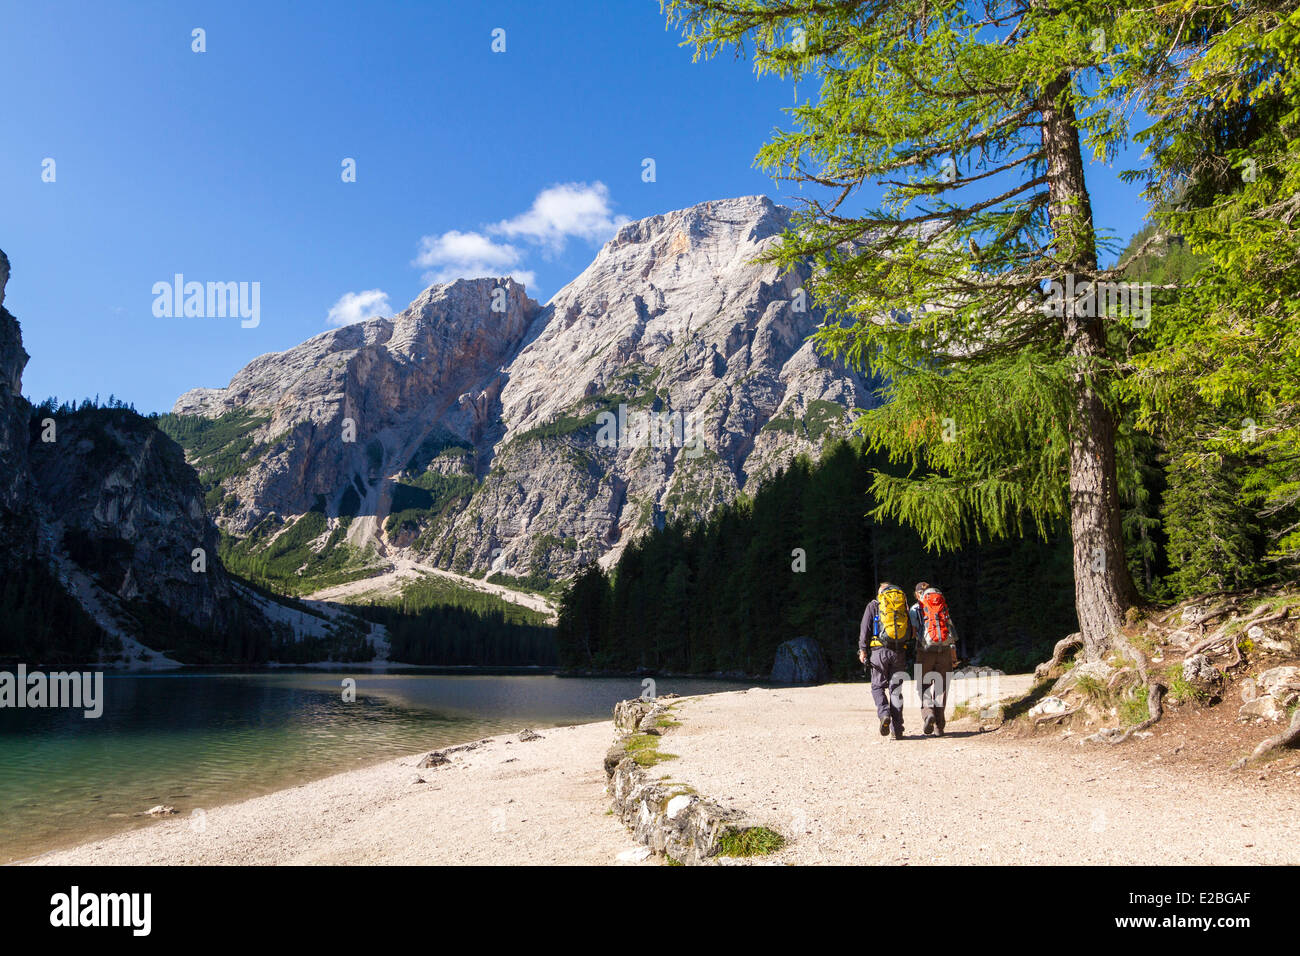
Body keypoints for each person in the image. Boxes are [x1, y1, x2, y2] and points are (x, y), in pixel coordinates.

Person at [858, 582, 911, 740]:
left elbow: (864, 629)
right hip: (899, 651)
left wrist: (862, 649)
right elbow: (910, 629)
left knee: (877, 686)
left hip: (879, 652)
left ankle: (884, 714)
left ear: (880, 593)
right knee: (896, 690)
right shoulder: (901, 604)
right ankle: (898, 730)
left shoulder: (874, 605)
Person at [909, 581, 959, 736]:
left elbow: (913, 633)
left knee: (923, 685)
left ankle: (928, 712)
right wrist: (953, 656)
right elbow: (950, 631)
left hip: (925, 651)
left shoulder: (915, 609)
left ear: (918, 594)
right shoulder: (941, 604)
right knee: (941, 688)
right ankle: (939, 727)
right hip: (944, 650)